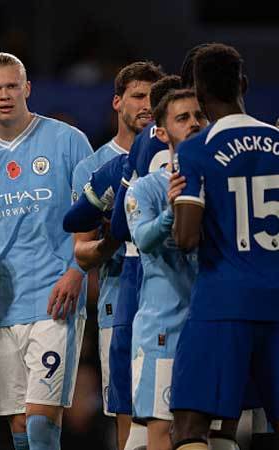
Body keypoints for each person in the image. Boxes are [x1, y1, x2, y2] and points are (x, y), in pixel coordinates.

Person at [0, 52, 93, 450]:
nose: (4, 95)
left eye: (12, 86)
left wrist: (77, 272)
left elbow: (96, 216)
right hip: (2, 305)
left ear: (27, 88)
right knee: (20, 431)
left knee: (43, 424)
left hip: (55, 301)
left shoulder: (67, 141)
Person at [171, 43, 279, 450]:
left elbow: (185, 238)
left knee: (190, 428)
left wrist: (175, 205)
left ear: (197, 97)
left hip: (223, 303)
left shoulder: (196, 151)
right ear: (244, 85)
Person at [71, 61, 163, 450]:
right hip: (117, 304)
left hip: (170, 300)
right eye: (138, 96)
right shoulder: (93, 167)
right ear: (116, 102)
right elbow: (82, 252)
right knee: (127, 419)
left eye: (154, 98)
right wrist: (112, 241)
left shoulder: (174, 156)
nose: (147, 105)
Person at [124, 88, 207, 450]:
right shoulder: (144, 189)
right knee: (160, 431)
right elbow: (142, 238)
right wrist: (172, 210)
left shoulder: (218, 184)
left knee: (212, 434)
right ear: (160, 132)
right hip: (162, 329)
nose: (193, 124)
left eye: (198, 116)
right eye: (182, 118)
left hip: (209, 323)